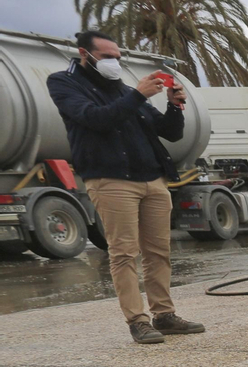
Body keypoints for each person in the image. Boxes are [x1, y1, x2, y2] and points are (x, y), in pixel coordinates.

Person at [47, 30, 205, 344]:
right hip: (111, 180)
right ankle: (138, 321)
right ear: (84, 55)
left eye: (117, 57)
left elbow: (170, 133)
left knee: (158, 252)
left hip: (153, 179)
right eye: (107, 57)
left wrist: (175, 106)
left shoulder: (125, 90)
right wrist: (138, 96)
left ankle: (164, 314)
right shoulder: (64, 83)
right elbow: (96, 119)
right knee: (124, 253)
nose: (114, 63)